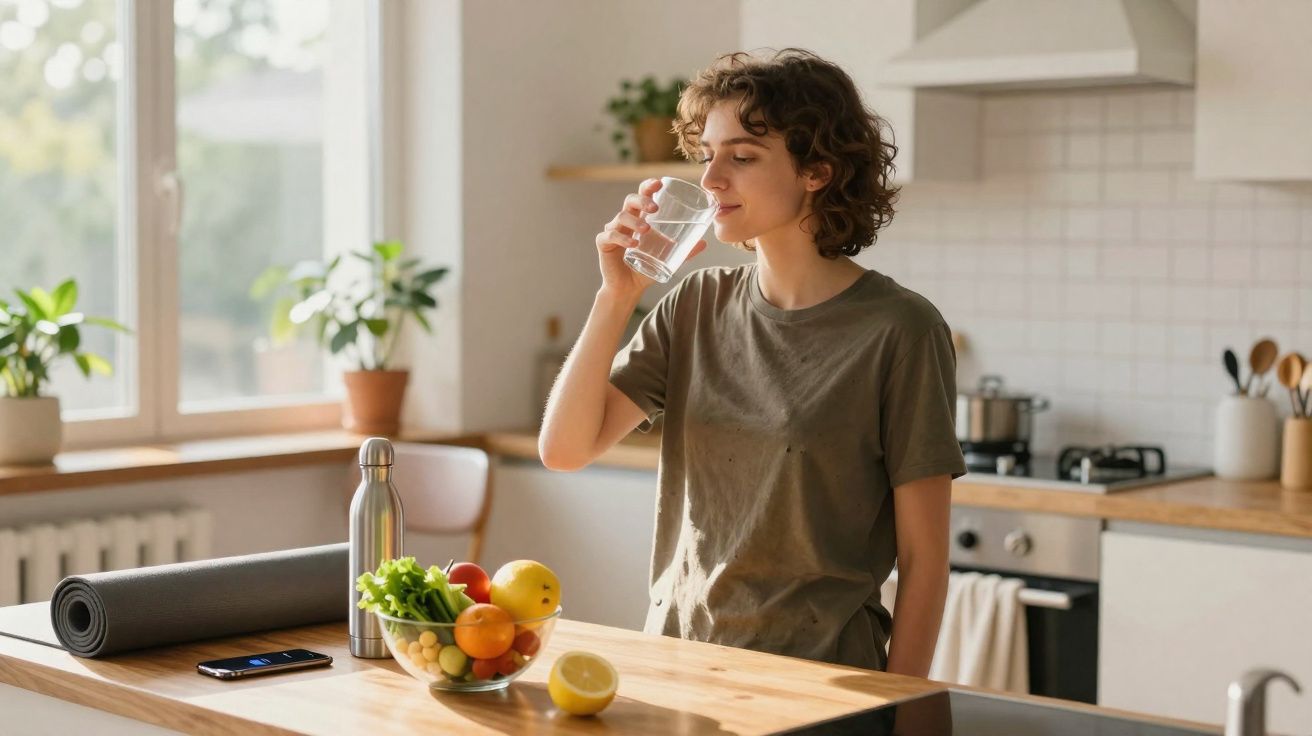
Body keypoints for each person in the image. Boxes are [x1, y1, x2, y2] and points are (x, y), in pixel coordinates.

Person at [539, 48, 966, 677]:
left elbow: (924, 559)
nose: (711, 180)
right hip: (679, 662)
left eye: (741, 157)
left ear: (817, 170)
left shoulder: (900, 328)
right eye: (707, 155)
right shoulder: (695, 303)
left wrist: (906, 708)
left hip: (822, 680)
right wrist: (616, 298)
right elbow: (565, 450)